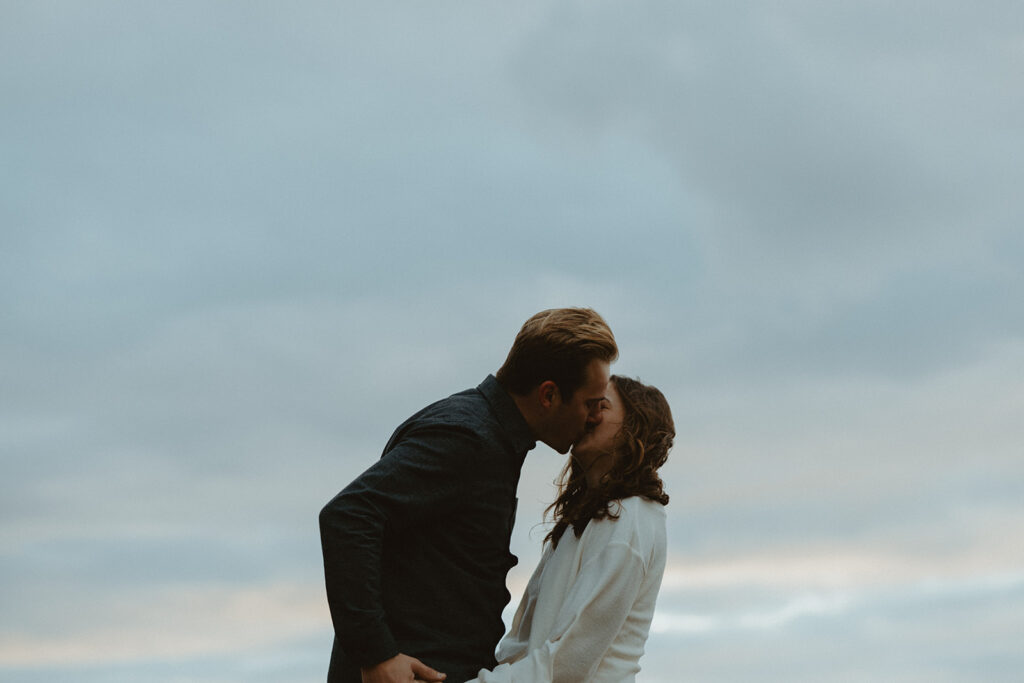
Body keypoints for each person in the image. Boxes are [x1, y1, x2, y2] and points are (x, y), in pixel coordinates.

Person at [319, 308, 619, 683]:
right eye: (590, 403)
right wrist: (377, 655)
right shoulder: (468, 438)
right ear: (549, 394)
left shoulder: (489, 438)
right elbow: (349, 515)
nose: (594, 417)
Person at [465, 375, 675, 683]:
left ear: (635, 425)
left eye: (601, 406)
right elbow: (522, 646)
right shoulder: (586, 519)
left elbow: (567, 664)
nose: (588, 415)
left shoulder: (630, 517)